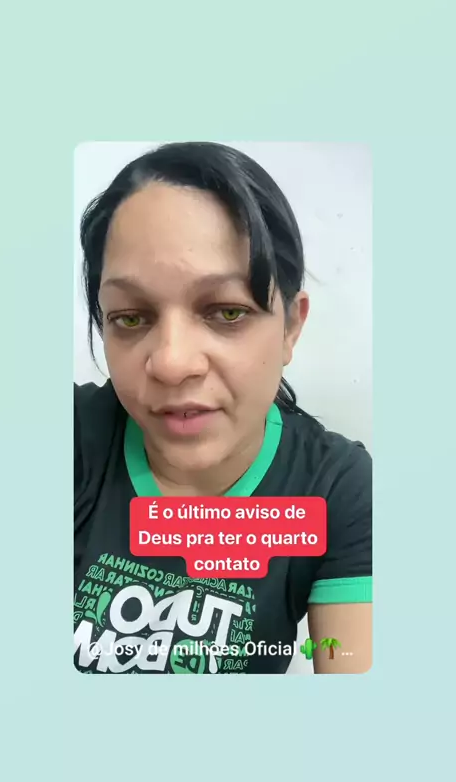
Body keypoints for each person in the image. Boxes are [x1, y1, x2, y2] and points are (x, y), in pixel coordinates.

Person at [74, 141, 372, 675]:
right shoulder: (69, 438)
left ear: (291, 326)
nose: (171, 363)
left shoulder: (334, 488)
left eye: (227, 311)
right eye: (131, 317)